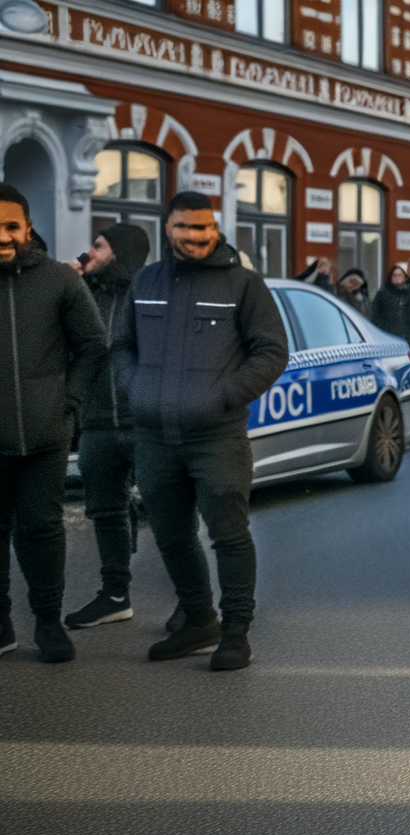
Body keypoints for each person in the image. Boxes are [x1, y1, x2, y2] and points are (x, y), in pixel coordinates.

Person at [115, 191, 289, 670]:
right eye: (185, 227)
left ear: (215, 228)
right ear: (166, 228)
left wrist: (224, 396)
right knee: (171, 535)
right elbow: (122, 346)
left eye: (204, 227)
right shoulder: (145, 280)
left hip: (217, 436)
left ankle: (235, 634)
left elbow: (272, 352)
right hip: (153, 436)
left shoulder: (243, 284)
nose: (196, 236)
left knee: (228, 535)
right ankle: (197, 620)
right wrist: (134, 388)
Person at [0, 185, 108, 661]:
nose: (2, 236)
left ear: (27, 227)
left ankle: (47, 623)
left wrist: (69, 400)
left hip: (46, 434)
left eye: (10, 226)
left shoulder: (60, 281)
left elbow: (93, 344)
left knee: (42, 529)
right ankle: (1, 624)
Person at [65, 222, 152, 632]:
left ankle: (194, 603)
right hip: (97, 423)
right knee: (106, 510)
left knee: (171, 510)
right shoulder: (83, 295)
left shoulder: (150, 296)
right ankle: (115, 596)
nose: (89, 252)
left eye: (97, 246)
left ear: (119, 252)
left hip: (144, 424)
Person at [370, 264, 410, 345]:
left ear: (405, 277)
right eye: (394, 275)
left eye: (400, 275)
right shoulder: (383, 293)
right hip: (387, 335)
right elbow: (376, 313)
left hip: (405, 336)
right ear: (391, 278)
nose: (397, 278)